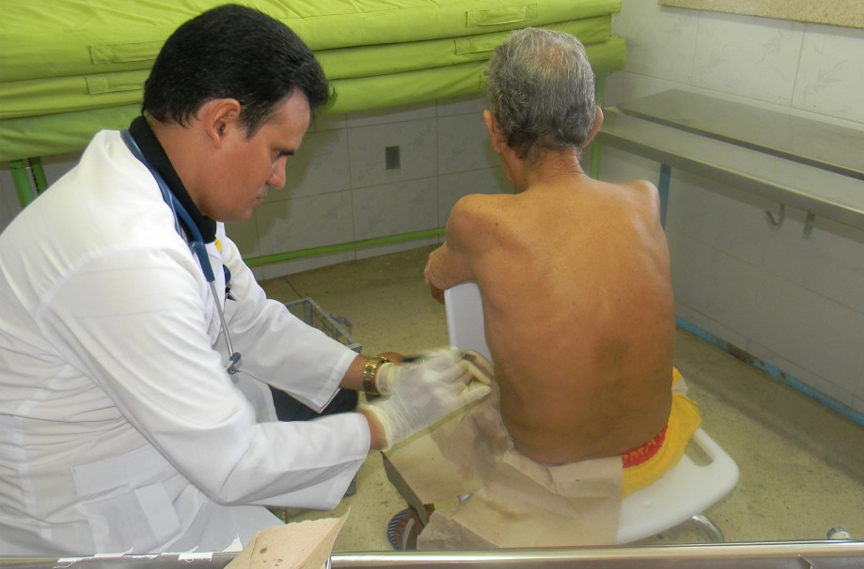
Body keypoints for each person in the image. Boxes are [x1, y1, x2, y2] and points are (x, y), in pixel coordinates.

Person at [0, 4, 488, 556]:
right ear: (222, 121)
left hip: (159, 463)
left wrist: (376, 375)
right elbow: (231, 461)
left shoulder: (164, 192)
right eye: (278, 154)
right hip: (87, 524)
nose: (280, 179)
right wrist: (389, 420)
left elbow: (251, 320)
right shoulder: (124, 254)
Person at [402, 27, 701, 548]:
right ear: (595, 124)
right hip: (657, 446)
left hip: (554, 467)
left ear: (494, 130)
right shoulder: (643, 199)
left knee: (439, 394)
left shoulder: (478, 219)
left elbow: (437, 282)